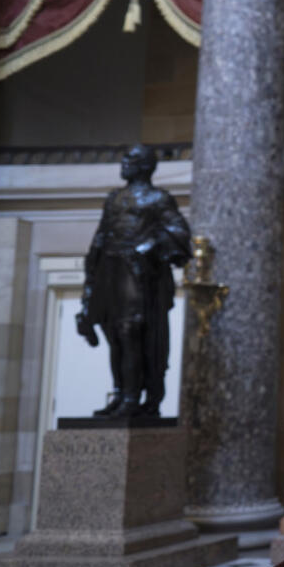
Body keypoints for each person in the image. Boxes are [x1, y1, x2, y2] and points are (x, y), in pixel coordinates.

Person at [76, 144, 191, 417]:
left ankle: (134, 397)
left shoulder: (158, 199)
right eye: (125, 157)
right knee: (113, 333)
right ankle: (119, 393)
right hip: (110, 269)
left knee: (131, 332)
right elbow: (102, 235)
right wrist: (91, 270)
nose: (124, 162)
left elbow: (179, 233)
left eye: (131, 158)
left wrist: (149, 245)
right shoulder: (114, 198)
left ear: (145, 166)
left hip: (138, 274)